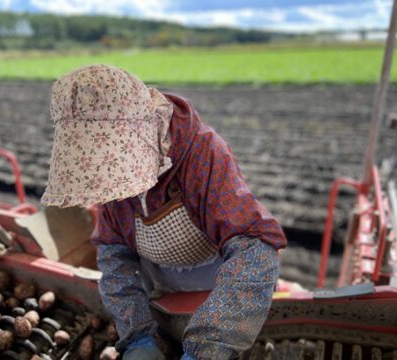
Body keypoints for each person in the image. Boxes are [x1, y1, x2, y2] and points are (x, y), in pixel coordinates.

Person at [41, 64, 287, 359]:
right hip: (161, 284)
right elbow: (114, 255)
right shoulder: (108, 178)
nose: (111, 184)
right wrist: (136, 335)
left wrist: (206, 348)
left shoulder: (203, 153)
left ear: (145, 132)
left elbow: (254, 250)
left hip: (220, 284)